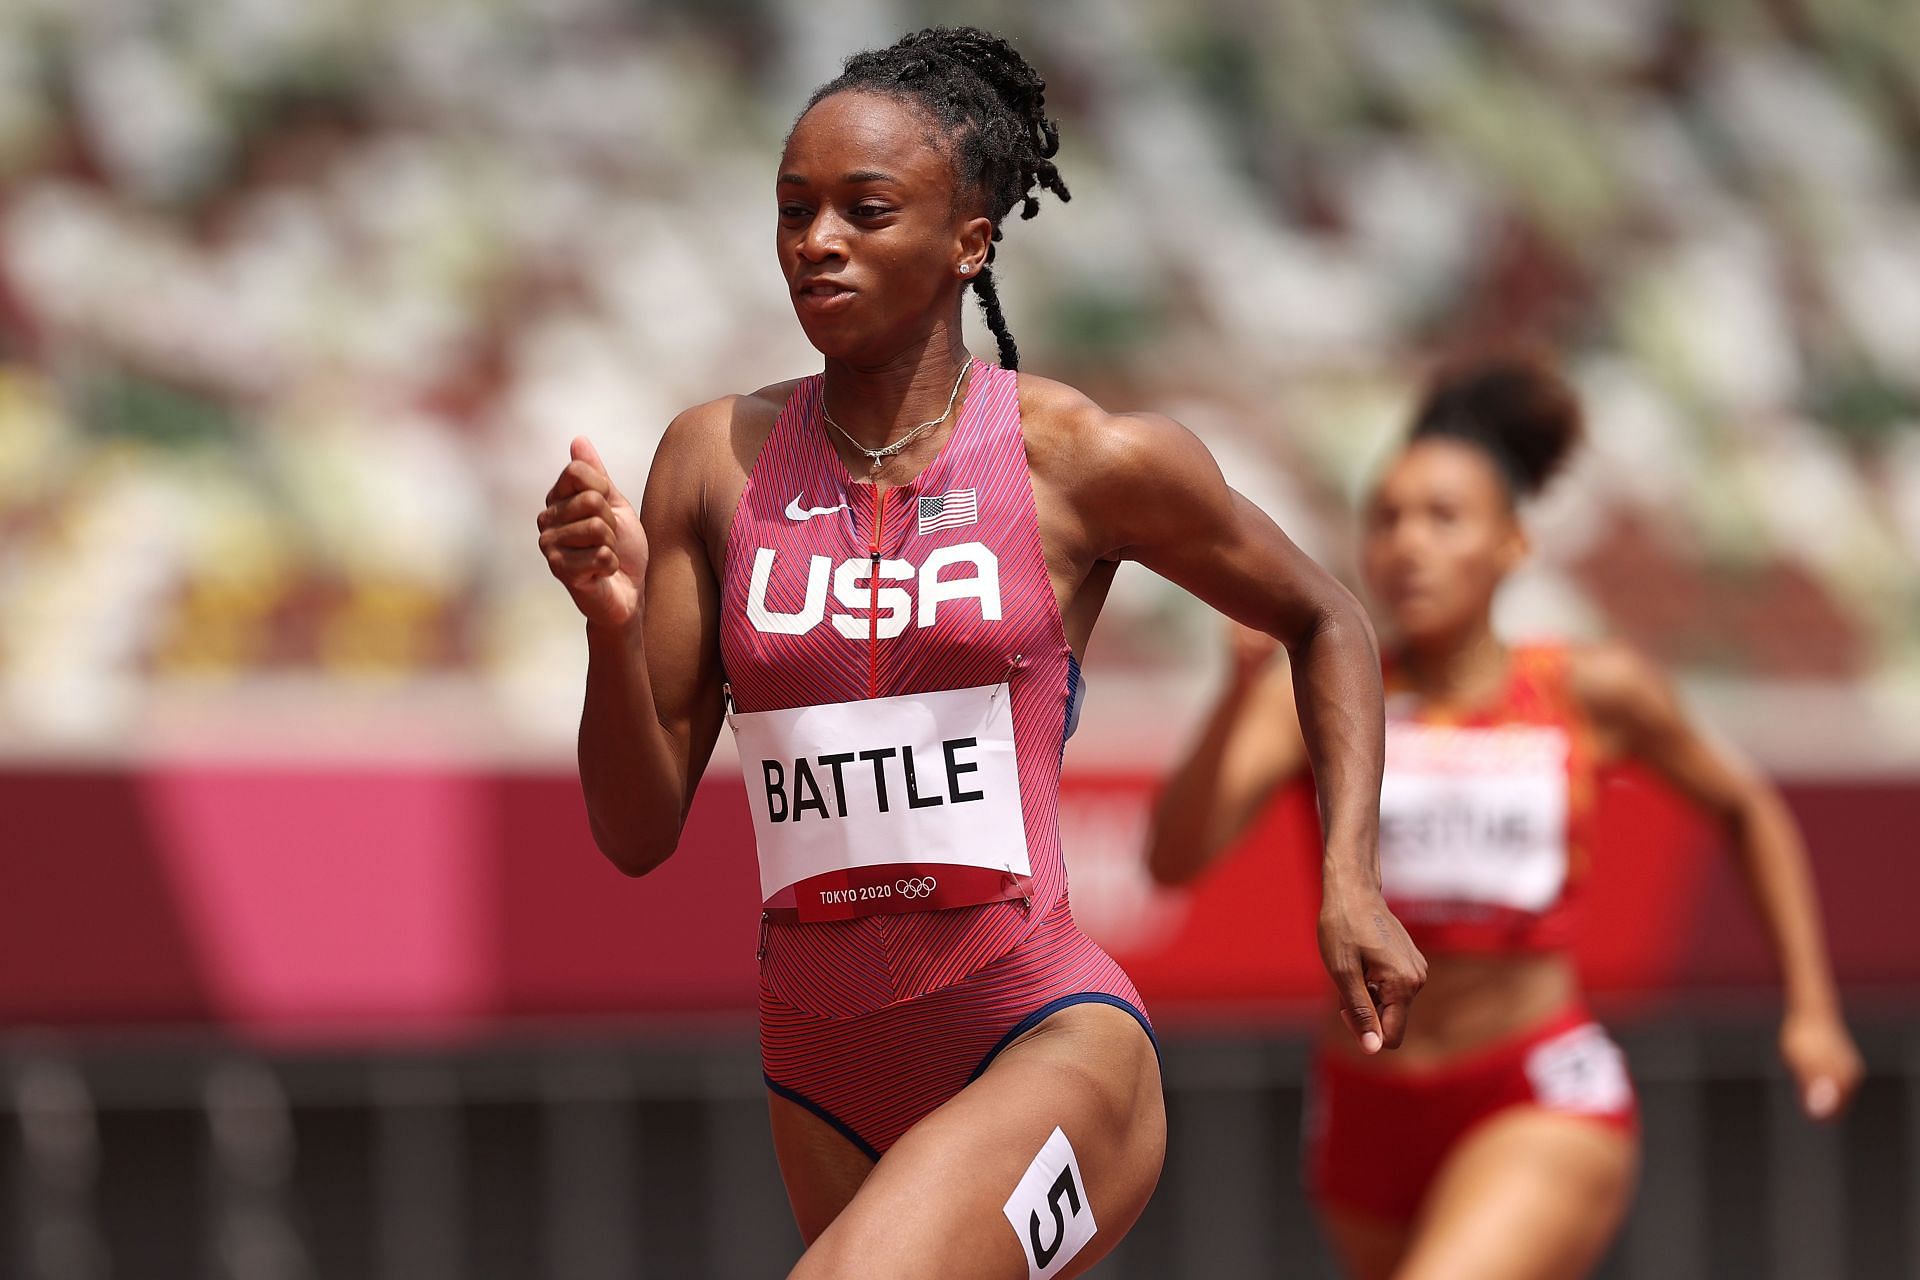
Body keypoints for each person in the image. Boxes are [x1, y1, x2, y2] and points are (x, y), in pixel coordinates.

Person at [534, 25, 1424, 1279]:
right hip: (820, 1064)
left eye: (866, 208)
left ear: (971, 239)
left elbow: (1326, 616)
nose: (817, 240)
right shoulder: (710, 461)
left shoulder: (1081, 457)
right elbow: (635, 830)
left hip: (1043, 1030)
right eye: (794, 210)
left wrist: (1349, 875)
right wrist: (610, 619)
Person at [1147, 349, 1866, 1279]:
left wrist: (1811, 1008)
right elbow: (1173, 859)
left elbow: (1746, 808)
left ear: (1513, 545)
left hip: (1533, 1085)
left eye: (1443, 518)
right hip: (1364, 1105)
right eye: (1388, 519)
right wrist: (1232, 693)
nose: (1408, 544)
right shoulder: (1322, 696)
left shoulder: (1589, 688)